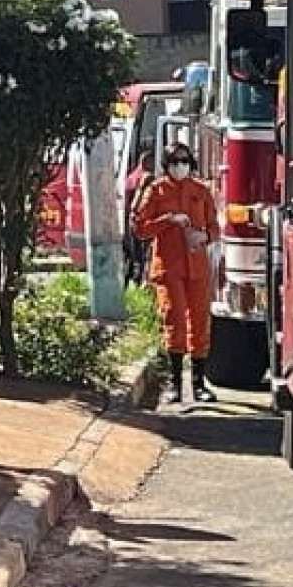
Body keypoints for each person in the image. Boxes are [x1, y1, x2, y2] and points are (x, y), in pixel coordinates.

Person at [131, 138, 219, 407]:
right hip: (169, 267)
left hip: (197, 267)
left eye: (184, 161)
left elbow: (215, 227)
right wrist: (168, 220)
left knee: (200, 323)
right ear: (166, 165)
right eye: (174, 162)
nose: (179, 167)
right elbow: (140, 228)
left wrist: (203, 235)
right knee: (175, 322)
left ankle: (199, 384)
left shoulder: (201, 191)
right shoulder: (156, 191)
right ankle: (176, 385)